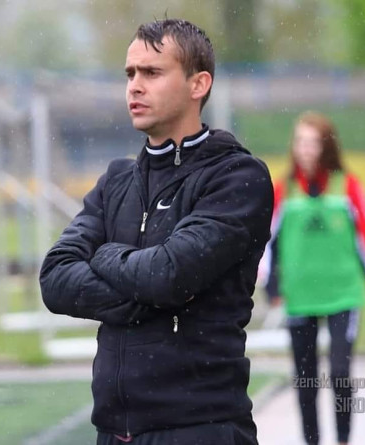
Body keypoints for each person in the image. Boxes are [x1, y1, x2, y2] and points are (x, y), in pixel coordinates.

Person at [39, 19, 273, 445]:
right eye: (130, 74)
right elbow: (55, 280)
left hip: (200, 430)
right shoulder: (116, 182)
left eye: (151, 72)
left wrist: (105, 255)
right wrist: (147, 293)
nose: (135, 86)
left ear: (198, 84)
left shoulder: (237, 177)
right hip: (114, 432)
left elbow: (167, 276)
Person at [263, 112, 365, 445]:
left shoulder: (348, 186)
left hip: (343, 294)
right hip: (300, 296)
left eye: (312, 143)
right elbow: (268, 242)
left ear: (326, 146)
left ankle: (343, 438)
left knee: (340, 373)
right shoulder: (284, 189)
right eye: (300, 142)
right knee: (305, 380)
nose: (305, 149)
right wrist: (271, 286)